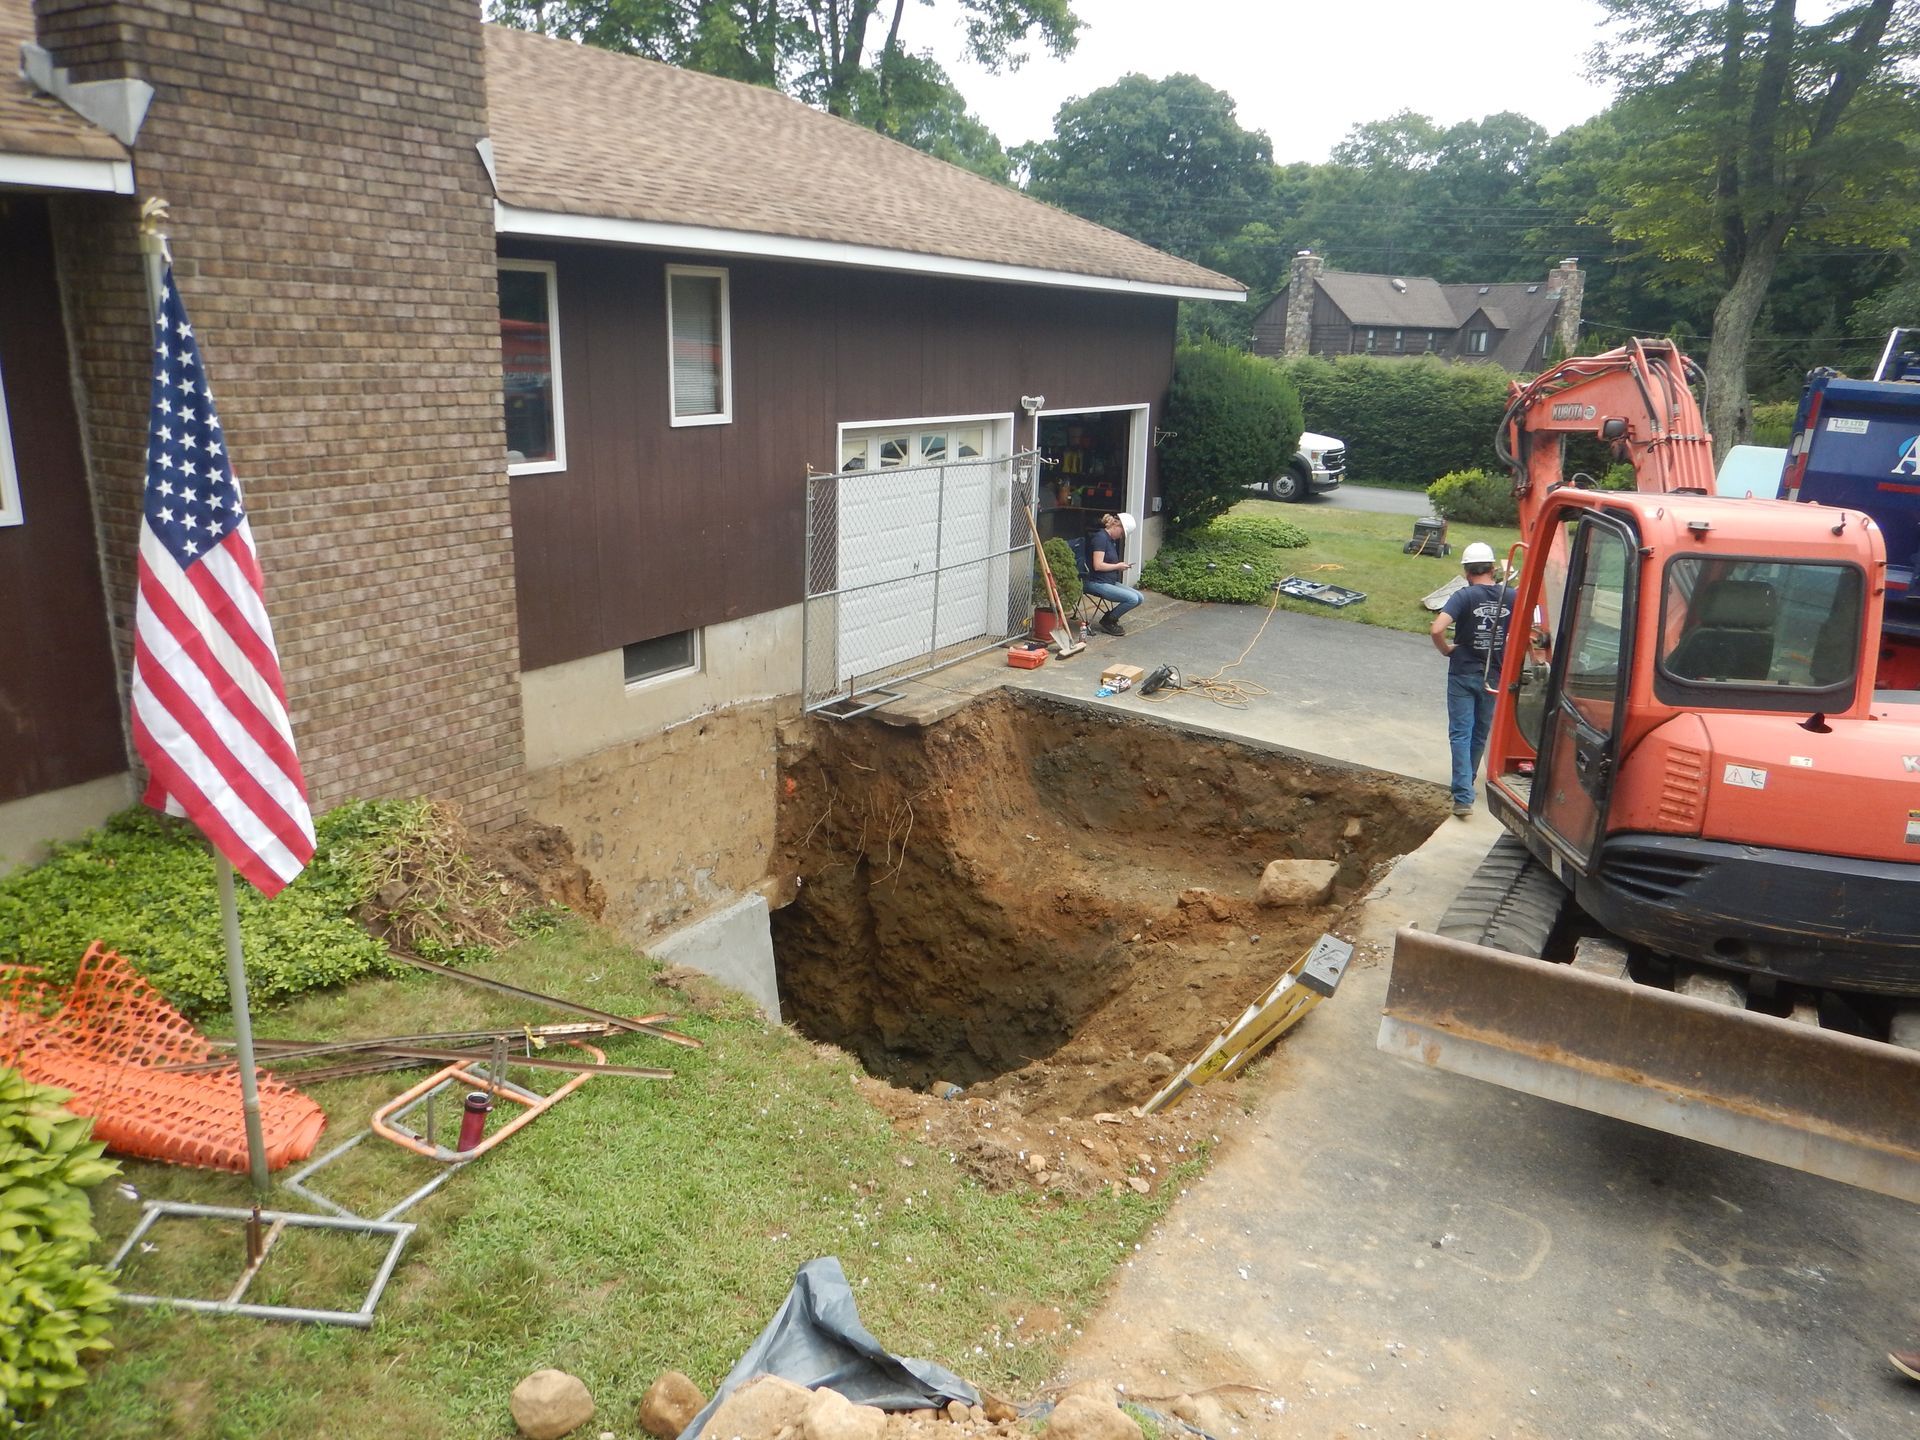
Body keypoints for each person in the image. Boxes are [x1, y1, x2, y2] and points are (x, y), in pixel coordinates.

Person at [1429, 541, 1516, 818]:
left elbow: (1437, 629)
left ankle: (1463, 796)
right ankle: (1467, 782)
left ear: (1467, 571)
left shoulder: (1464, 597)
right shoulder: (1511, 597)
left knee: (1460, 732)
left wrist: (1446, 650)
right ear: (1493, 568)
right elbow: (1525, 633)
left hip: (1463, 671)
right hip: (1494, 675)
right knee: (1480, 731)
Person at [1084, 512, 1144, 636]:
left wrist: (1120, 567)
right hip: (1095, 581)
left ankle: (1110, 618)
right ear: (1117, 526)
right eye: (1122, 533)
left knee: (1139, 598)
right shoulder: (1100, 538)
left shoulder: (1110, 540)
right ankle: (1108, 621)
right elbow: (1098, 565)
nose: (1121, 536)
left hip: (1108, 580)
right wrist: (1118, 566)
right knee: (1132, 598)